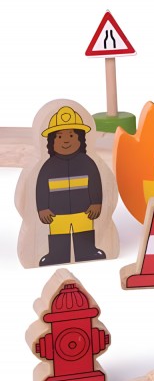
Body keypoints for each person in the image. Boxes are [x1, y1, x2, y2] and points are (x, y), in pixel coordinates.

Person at [36, 106, 106, 266]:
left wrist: (96, 203)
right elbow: (41, 188)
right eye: (59, 136)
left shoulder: (87, 163)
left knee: (84, 232)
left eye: (71, 135)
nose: (66, 140)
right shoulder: (47, 167)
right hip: (57, 214)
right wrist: (43, 208)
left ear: (81, 139)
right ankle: (56, 255)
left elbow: (95, 183)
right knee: (58, 235)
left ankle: (88, 251)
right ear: (51, 141)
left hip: (84, 211)